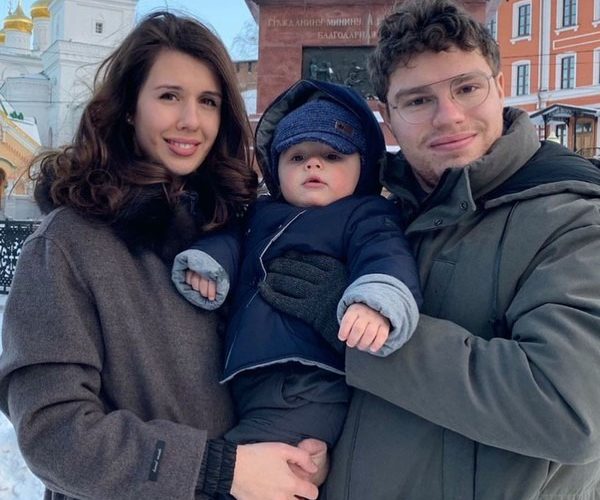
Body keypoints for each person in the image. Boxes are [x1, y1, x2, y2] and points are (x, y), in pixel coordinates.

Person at [259, 0, 600, 498]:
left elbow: (568, 409)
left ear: (499, 86)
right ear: (387, 116)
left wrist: (361, 332)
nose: (449, 116)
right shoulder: (376, 212)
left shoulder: (573, 219)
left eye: (467, 88)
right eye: (418, 100)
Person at [0, 12, 323, 500]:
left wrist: (305, 444)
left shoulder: (238, 226)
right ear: (130, 107)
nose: (190, 120)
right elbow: (54, 432)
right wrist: (217, 469)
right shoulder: (69, 243)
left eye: (208, 101)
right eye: (169, 96)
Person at [171, 80, 421, 453]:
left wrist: (376, 302)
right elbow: (231, 240)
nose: (313, 164)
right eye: (297, 157)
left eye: (332, 156)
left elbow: (385, 255)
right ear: (276, 169)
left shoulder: (365, 214)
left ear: (363, 166)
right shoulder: (261, 212)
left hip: (307, 379)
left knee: (247, 465)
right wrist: (210, 264)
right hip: (245, 374)